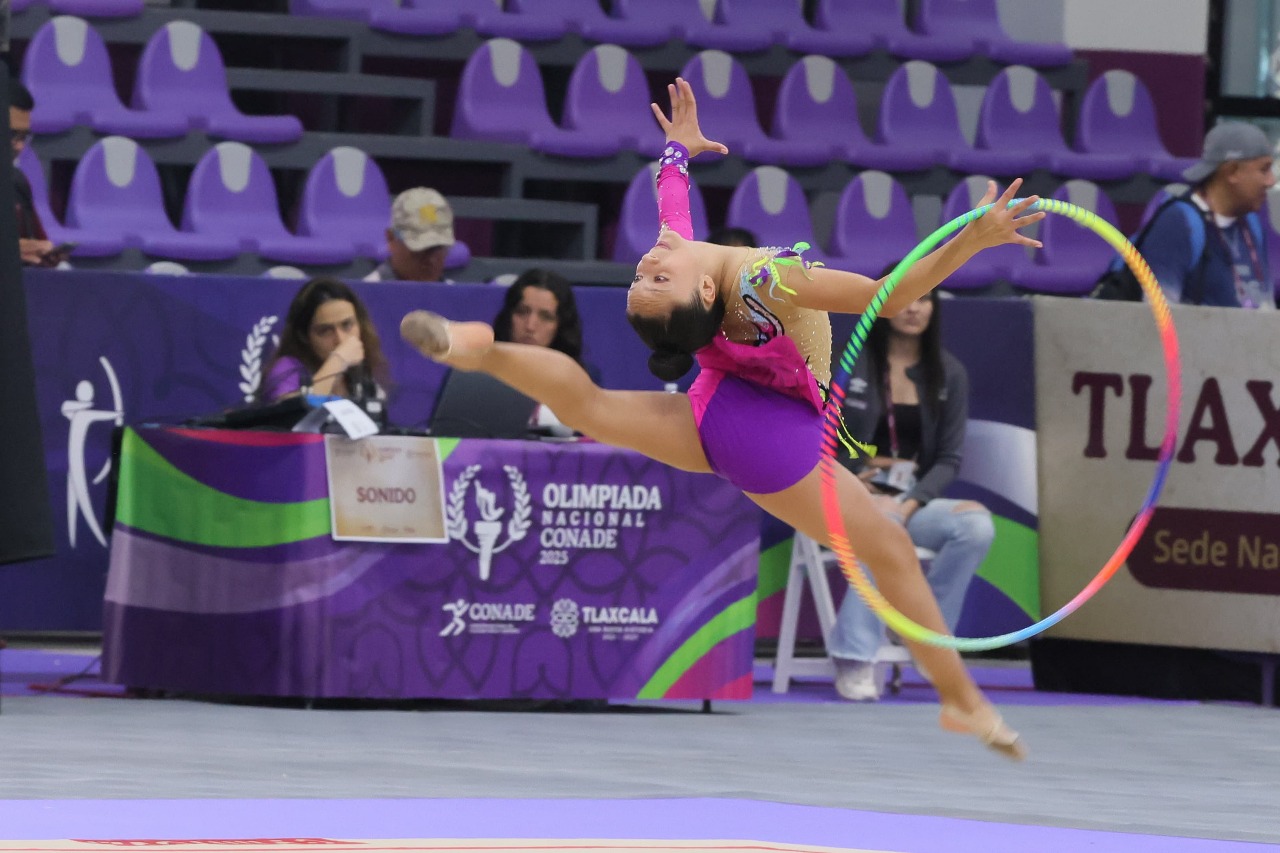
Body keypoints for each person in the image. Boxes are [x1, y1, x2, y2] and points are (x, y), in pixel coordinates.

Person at [400, 79, 1042, 759]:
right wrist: (974, 240)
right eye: (652, 281)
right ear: (705, 292)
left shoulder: (687, 254)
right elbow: (889, 296)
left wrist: (677, 150)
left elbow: (672, 194)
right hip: (765, 432)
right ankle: (960, 699)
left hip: (723, 403)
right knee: (888, 549)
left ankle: (483, 349)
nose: (647, 267)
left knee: (590, 407)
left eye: (644, 280)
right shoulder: (767, 279)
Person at [828, 288, 994, 702]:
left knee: (975, 526)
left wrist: (910, 502)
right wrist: (857, 478)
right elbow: (819, 439)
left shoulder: (950, 373)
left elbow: (949, 459)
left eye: (924, 299)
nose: (914, 308)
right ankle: (854, 656)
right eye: (905, 298)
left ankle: (924, 635)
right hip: (845, 496)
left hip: (907, 502)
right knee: (880, 521)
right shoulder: (848, 363)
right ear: (882, 304)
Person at [1143, 122, 1275, 308]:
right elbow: (1156, 317)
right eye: (1264, 169)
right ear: (1232, 171)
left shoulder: (1251, 223)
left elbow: (1266, 306)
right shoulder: (1178, 223)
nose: (1271, 181)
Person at [255, 277, 389, 404]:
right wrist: (338, 361)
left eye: (347, 325)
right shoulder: (286, 368)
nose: (340, 340)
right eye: (325, 331)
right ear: (304, 336)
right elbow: (294, 412)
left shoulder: (362, 375)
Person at [9, 79, 64, 268]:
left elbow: (35, 243)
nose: (19, 146)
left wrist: (43, 253)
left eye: (24, 137)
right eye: (11, 134)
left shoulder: (16, 182)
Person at [364, 187, 455, 283]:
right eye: (421, 249)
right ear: (391, 239)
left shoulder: (456, 291)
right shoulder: (363, 291)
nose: (431, 260)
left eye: (438, 248)